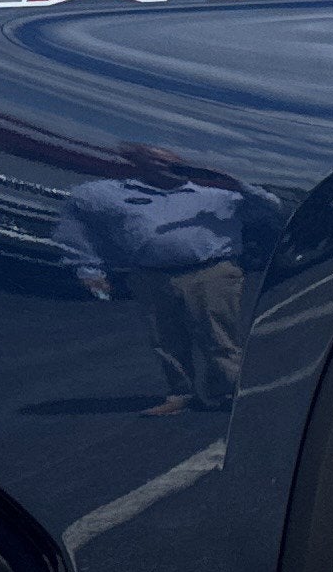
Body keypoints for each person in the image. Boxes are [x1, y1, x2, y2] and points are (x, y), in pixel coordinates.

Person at [51, 146, 285, 415]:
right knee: (166, 339)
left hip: (210, 272)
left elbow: (273, 208)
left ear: (183, 162)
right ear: (136, 162)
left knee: (218, 336)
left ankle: (231, 393)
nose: (162, 163)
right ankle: (180, 394)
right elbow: (77, 226)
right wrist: (88, 268)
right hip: (149, 275)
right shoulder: (109, 194)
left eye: (169, 159)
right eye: (152, 158)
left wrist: (235, 182)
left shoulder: (218, 196)